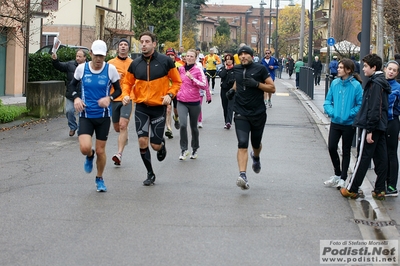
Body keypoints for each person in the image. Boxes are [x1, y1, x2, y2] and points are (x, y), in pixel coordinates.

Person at [122, 31, 182, 186]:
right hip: (141, 106)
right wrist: (126, 95)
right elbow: (127, 83)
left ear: (154, 44)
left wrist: (170, 94)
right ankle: (150, 173)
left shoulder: (165, 62)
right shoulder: (135, 63)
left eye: (147, 41)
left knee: (154, 145)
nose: (143, 44)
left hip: (158, 107)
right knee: (142, 141)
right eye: (141, 41)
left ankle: (161, 146)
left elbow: (177, 82)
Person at [69, 40, 122, 192]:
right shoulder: (82, 68)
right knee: (85, 148)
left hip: (103, 116)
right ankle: (89, 156)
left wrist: (109, 98)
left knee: (101, 150)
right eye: (96, 55)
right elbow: (72, 86)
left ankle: (99, 178)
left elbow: (118, 90)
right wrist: (76, 98)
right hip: (86, 114)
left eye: (102, 56)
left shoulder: (110, 69)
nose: (99, 59)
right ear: (90, 54)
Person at [340, 54, 391, 200]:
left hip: (372, 126)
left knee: (363, 157)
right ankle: (380, 189)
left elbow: (374, 108)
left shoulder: (375, 84)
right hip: (380, 126)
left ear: (374, 67)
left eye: (366, 66)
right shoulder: (381, 82)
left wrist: (369, 129)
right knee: (381, 158)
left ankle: (352, 188)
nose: (363, 69)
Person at [225, 46, 275, 190]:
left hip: (258, 113)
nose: (243, 57)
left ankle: (256, 157)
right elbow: (238, 82)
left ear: (252, 56)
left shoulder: (260, 69)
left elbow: (272, 88)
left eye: (246, 54)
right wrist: (232, 91)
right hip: (241, 112)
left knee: (256, 143)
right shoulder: (237, 69)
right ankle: (242, 175)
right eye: (241, 55)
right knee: (242, 143)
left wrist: (257, 84)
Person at [323, 58, 363, 189]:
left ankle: (344, 177)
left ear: (349, 70)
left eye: (341, 67)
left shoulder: (356, 85)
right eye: (338, 67)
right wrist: (332, 112)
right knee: (331, 147)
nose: (338, 69)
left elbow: (360, 104)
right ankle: (337, 174)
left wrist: (349, 114)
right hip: (335, 122)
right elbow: (327, 101)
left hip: (349, 124)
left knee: (346, 151)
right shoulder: (334, 83)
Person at [176, 49, 211, 160]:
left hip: (194, 102)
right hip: (181, 101)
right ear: (185, 57)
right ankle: (184, 149)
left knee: (193, 127)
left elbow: (204, 85)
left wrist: (192, 78)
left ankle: (194, 148)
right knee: (182, 125)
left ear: (195, 58)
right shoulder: (180, 69)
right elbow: (176, 82)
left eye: (192, 56)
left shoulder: (198, 70)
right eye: (187, 56)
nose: (189, 58)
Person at [107, 38, 133, 166]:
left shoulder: (133, 63)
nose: (123, 47)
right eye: (121, 45)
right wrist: (114, 77)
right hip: (114, 97)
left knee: (123, 125)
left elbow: (137, 80)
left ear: (128, 48)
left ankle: (119, 154)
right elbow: (105, 79)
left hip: (127, 98)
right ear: (117, 48)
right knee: (117, 128)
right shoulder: (110, 63)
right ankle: (125, 135)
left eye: (125, 45)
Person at [52, 49, 87, 137]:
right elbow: (59, 66)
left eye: (80, 56)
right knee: (69, 111)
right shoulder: (70, 65)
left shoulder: (89, 67)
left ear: (85, 57)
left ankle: (80, 130)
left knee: (82, 114)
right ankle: (72, 127)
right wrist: (55, 60)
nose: (77, 58)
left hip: (84, 95)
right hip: (71, 94)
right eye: (77, 56)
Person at [383, 60, 400, 196]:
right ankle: (382, 182)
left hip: (392, 122)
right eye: (390, 69)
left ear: (397, 73)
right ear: (385, 69)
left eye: (394, 70)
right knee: (381, 154)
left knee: (391, 153)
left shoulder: (398, 88)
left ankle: (392, 185)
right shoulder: (379, 84)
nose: (391, 72)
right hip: (380, 123)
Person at [164, 48, 184, 139]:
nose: (170, 57)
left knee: (176, 111)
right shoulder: (162, 65)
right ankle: (169, 129)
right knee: (168, 109)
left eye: (172, 55)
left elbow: (182, 79)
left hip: (177, 91)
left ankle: (176, 118)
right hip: (166, 91)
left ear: (174, 56)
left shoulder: (179, 66)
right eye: (168, 55)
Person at [219, 53, 235, 129]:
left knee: (230, 107)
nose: (228, 61)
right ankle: (226, 121)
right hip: (224, 90)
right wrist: (225, 68)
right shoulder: (223, 68)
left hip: (232, 90)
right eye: (227, 59)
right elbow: (221, 75)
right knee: (225, 106)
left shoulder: (235, 69)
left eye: (230, 59)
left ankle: (229, 122)